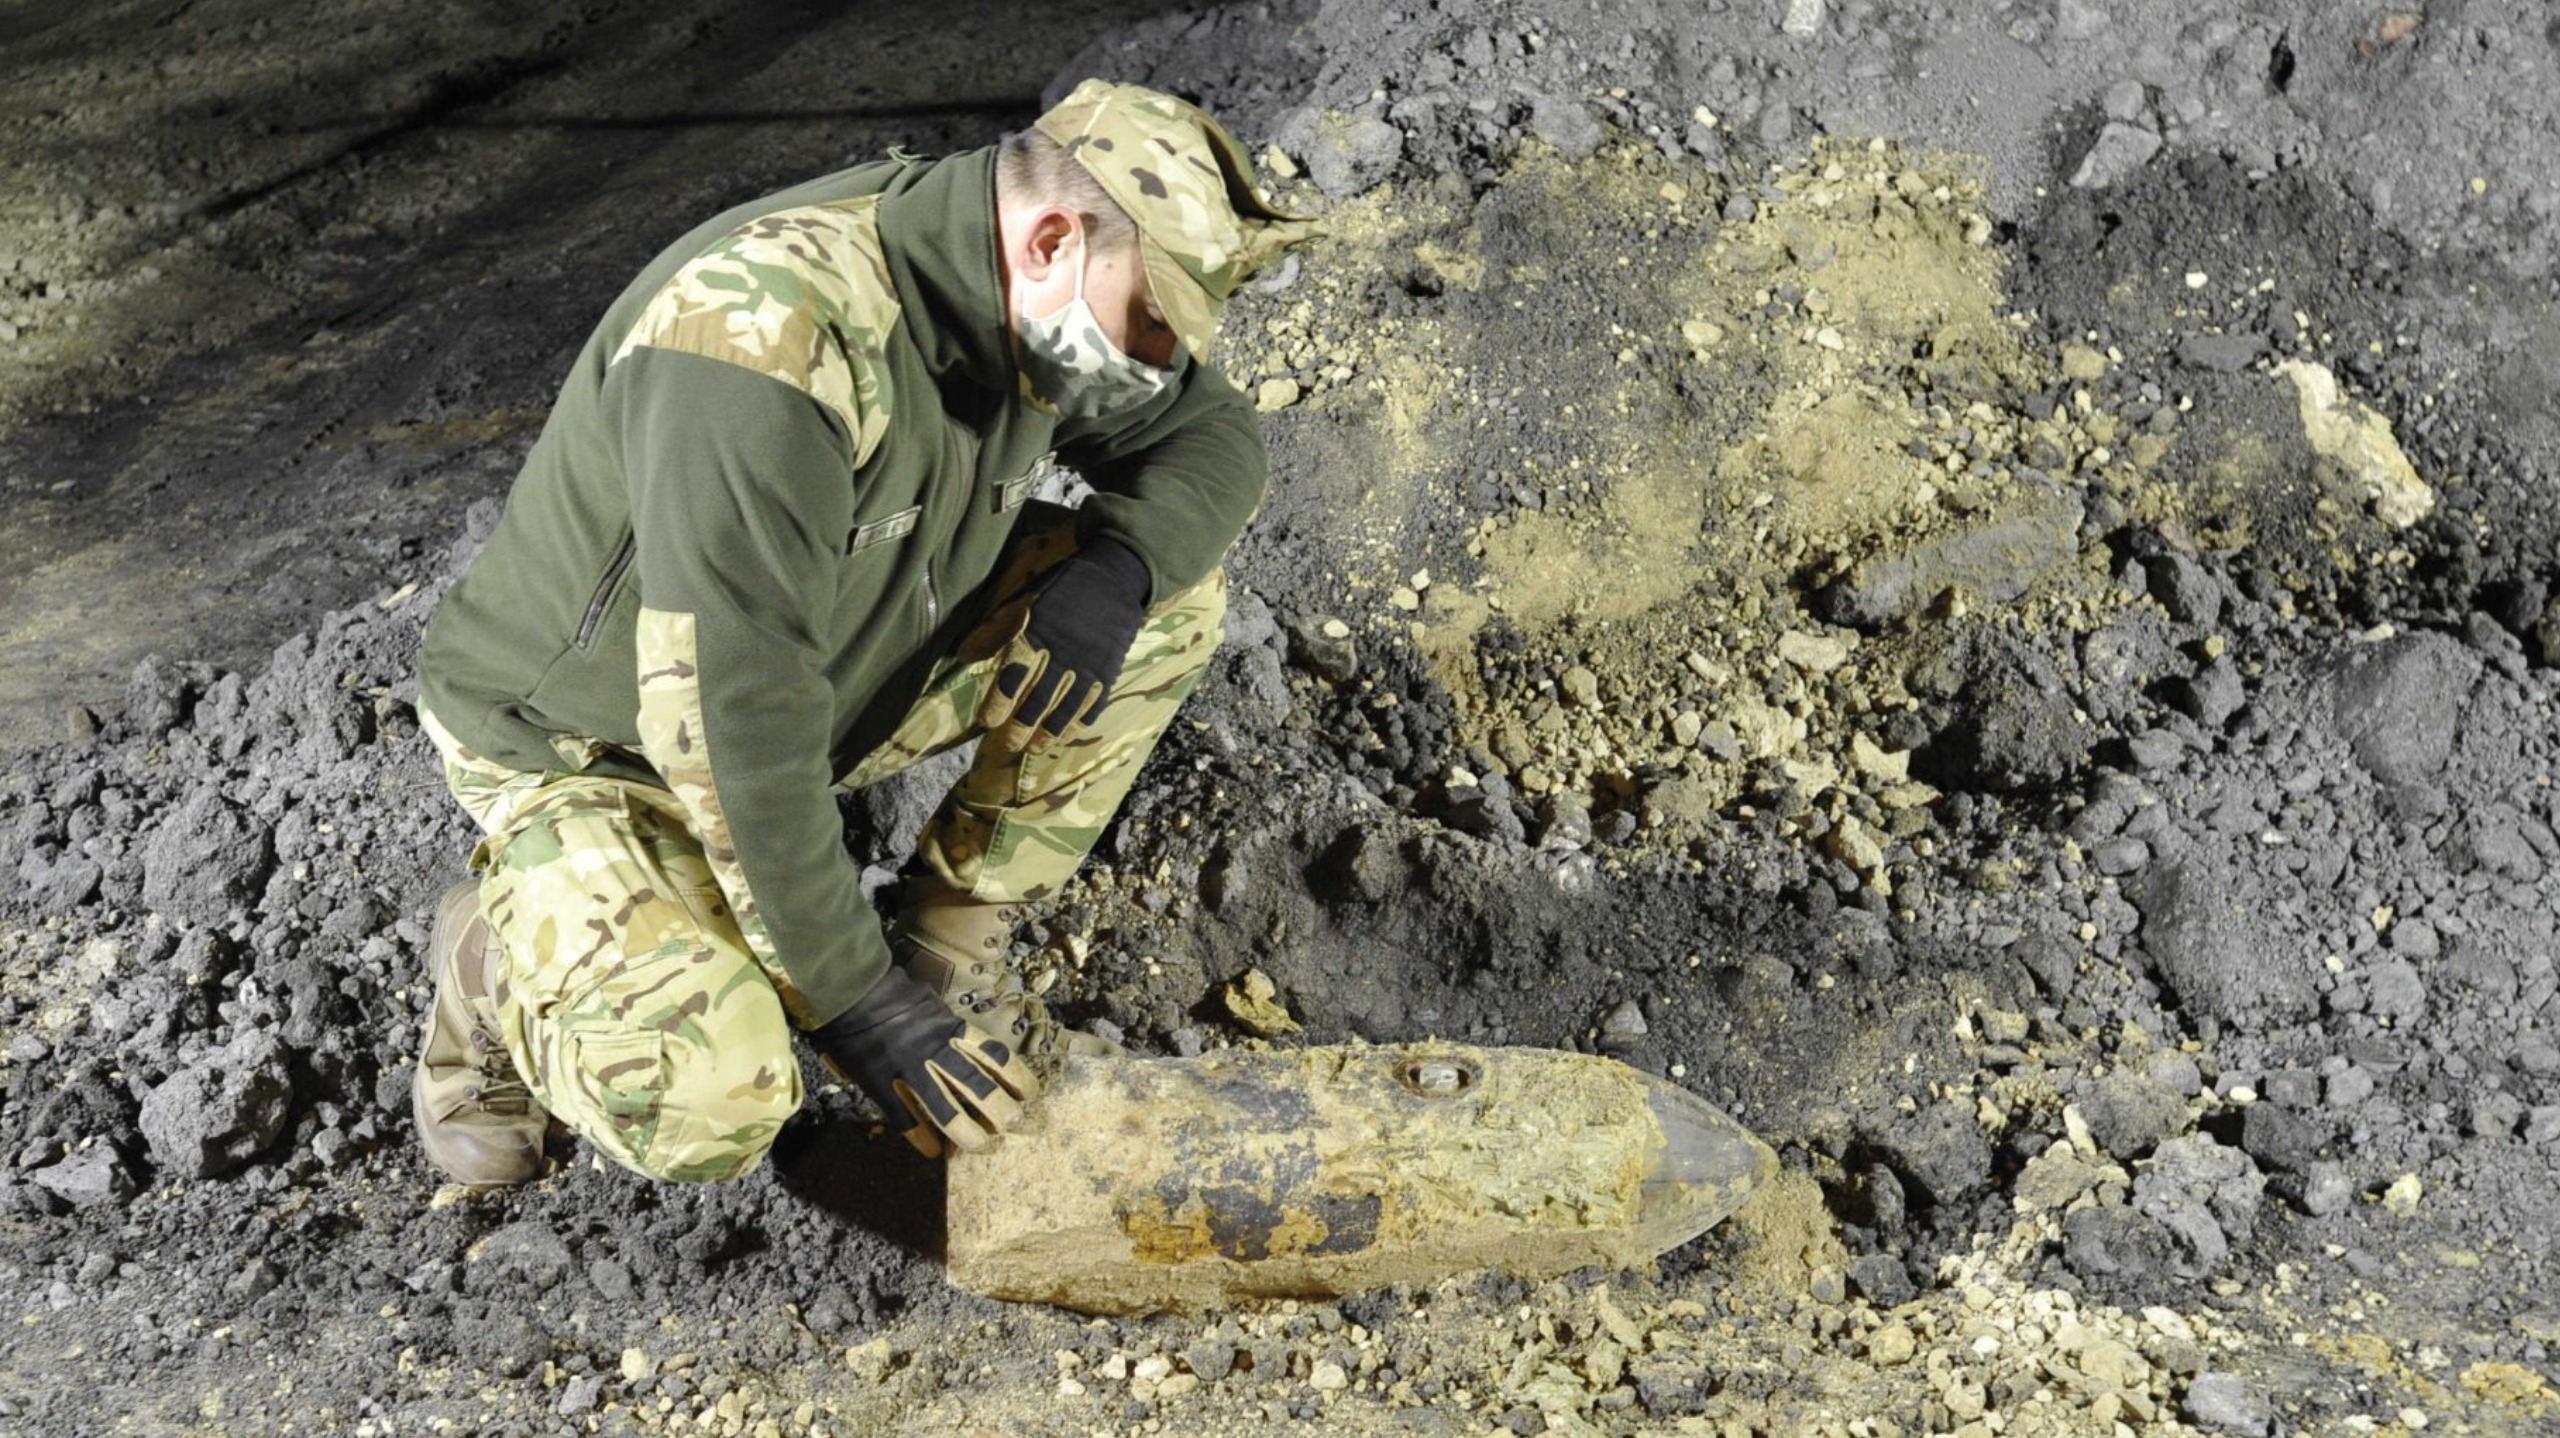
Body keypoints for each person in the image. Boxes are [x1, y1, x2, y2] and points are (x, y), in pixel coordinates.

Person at [407, 79, 1317, 1187]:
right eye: (1152, 321)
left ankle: (944, 949)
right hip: (597, 747)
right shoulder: (761, 340)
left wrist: (1120, 567)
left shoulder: (1036, 306)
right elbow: (731, 724)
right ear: (1050, 239)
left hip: (828, 680)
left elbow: (1212, 436)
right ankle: (498, 960)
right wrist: (855, 1004)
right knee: (711, 1101)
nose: (1158, 359)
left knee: (1170, 602)